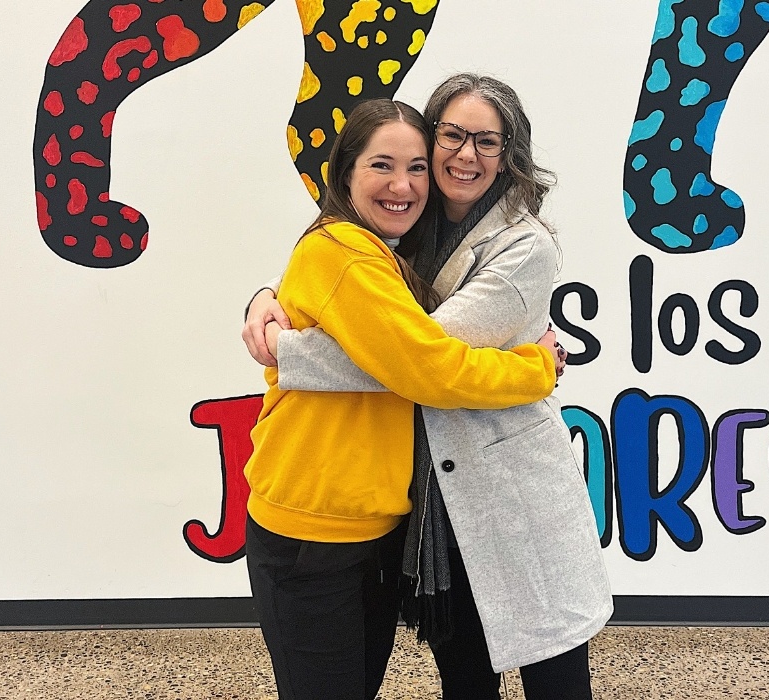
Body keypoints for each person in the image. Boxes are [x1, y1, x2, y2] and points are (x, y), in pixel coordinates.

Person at [245, 75, 613, 699]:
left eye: (487, 141)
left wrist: (289, 350)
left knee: (552, 665)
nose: (465, 154)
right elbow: (386, 336)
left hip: (508, 489)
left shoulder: (524, 247)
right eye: (452, 135)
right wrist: (266, 299)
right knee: (465, 667)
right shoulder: (407, 230)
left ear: (510, 154)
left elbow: (416, 360)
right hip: (436, 497)